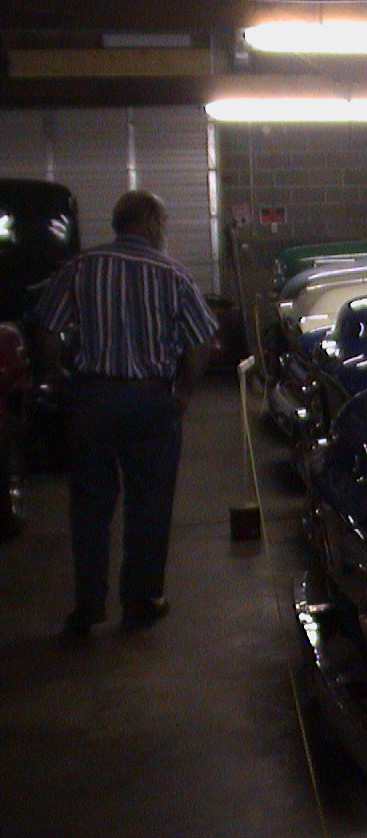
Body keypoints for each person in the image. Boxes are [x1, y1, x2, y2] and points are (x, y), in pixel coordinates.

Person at [34, 189, 218, 637]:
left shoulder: (81, 267)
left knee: (90, 505)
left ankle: (89, 606)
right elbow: (201, 343)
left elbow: (46, 328)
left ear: (118, 222)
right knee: (150, 502)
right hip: (151, 401)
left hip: (93, 400)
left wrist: (58, 375)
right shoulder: (173, 274)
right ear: (153, 223)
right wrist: (182, 392)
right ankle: (140, 600)